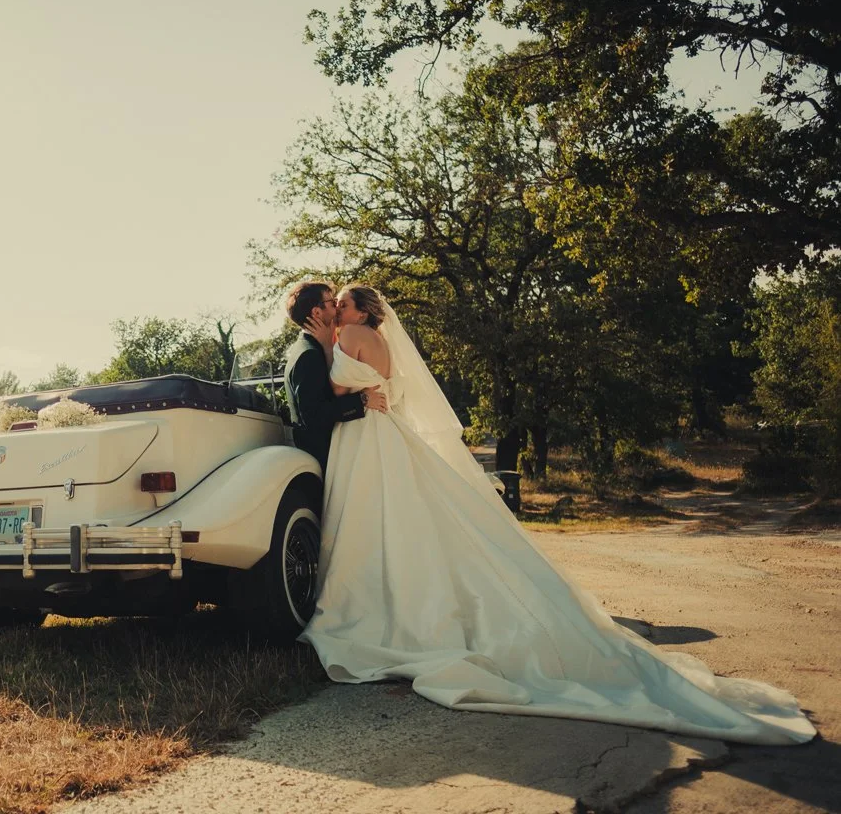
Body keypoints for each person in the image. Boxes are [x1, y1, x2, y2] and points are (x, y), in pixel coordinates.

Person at [295, 282, 815, 745]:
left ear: (362, 312)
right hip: (378, 436)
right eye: (332, 305)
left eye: (342, 303)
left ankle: (381, 609)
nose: (335, 310)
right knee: (404, 522)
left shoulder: (349, 340)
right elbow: (370, 391)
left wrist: (324, 345)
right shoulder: (375, 340)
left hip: (367, 439)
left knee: (381, 523)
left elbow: (343, 391)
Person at [282, 281, 388, 474]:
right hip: (324, 457)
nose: (337, 308)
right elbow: (313, 417)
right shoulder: (309, 355)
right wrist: (363, 399)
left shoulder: (314, 348)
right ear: (316, 312)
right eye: (332, 303)